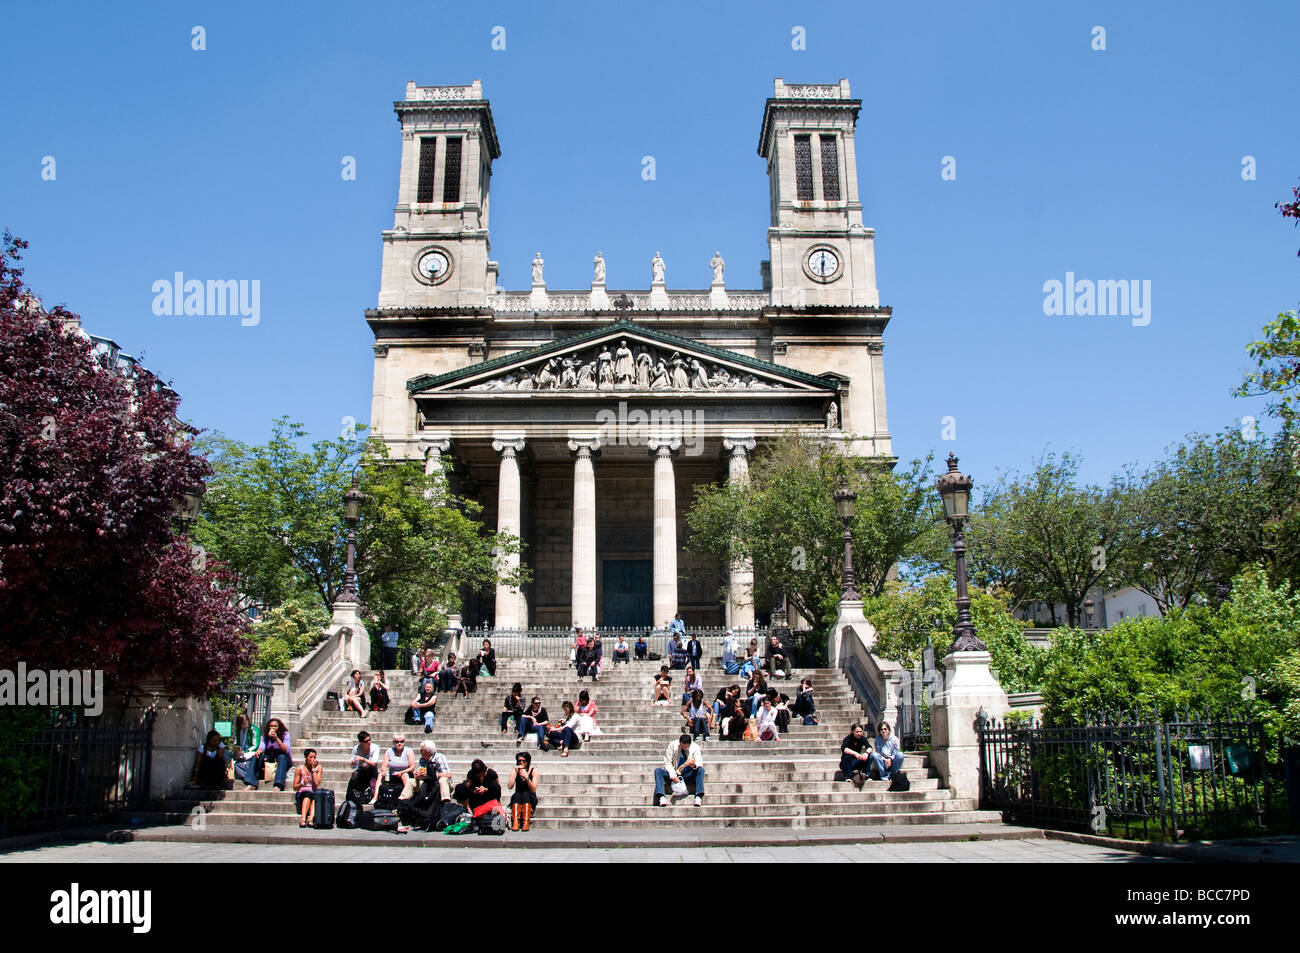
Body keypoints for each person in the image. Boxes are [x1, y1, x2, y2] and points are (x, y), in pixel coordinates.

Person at [654, 733, 704, 807]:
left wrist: (694, 765)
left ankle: (698, 796)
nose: (684, 748)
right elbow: (667, 762)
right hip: (674, 772)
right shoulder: (672, 745)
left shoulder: (696, 748)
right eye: (682, 746)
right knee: (658, 771)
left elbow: (699, 761)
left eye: (686, 747)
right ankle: (661, 796)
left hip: (687, 774)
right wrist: (673, 775)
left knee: (701, 770)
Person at [255, 718, 293, 791]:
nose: (273, 728)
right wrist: (259, 751)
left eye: (275, 726)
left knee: (282, 757)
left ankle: (278, 784)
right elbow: (262, 746)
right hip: (270, 756)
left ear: (279, 727)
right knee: (257, 757)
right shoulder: (265, 735)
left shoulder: (285, 734)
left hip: (283, 758)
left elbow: (286, 750)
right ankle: (252, 782)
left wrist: (276, 738)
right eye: (271, 726)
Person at [507, 751, 539, 831]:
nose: (521, 762)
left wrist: (527, 777)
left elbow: (533, 789)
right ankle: (515, 822)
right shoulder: (515, 770)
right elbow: (510, 786)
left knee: (525, 794)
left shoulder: (534, 771)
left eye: (523, 761)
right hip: (518, 796)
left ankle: (526, 822)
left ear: (527, 761)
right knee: (517, 794)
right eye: (519, 761)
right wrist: (515, 773)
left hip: (530, 797)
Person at [293, 748, 323, 827]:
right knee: (308, 794)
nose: (313, 759)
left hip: (313, 792)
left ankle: (310, 819)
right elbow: (295, 787)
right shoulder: (300, 769)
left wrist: (313, 770)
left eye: (314, 757)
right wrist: (302, 783)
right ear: (306, 758)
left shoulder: (318, 768)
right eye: (311, 757)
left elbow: (316, 784)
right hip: (302, 793)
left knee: (314, 795)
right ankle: (303, 818)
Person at [349, 729, 381, 801]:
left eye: (370, 739)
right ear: (361, 742)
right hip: (361, 770)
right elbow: (352, 766)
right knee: (354, 774)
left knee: (365, 765)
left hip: (372, 769)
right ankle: (349, 796)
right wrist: (353, 763)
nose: (369, 742)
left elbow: (374, 763)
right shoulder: (356, 749)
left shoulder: (375, 747)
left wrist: (362, 759)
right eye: (366, 741)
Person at [839, 723, 874, 789]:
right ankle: (848, 776)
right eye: (857, 732)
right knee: (847, 755)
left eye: (860, 732)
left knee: (871, 756)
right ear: (852, 731)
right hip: (847, 763)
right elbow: (844, 749)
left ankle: (867, 775)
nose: (859, 733)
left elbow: (869, 747)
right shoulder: (848, 739)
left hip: (857, 761)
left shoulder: (862, 739)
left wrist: (866, 753)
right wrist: (855, 753)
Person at [231, 713, 260, 789]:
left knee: (251, 761)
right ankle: (248, 777)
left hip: (250, 752)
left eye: (245, 723)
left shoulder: (253, 729)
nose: (244, 725)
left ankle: (250, 780)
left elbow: (255, 745)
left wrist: (245, 751)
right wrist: (237, 750)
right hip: (241, 753)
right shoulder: (239, 731)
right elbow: (236, 743)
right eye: (242, 724)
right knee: (237, 765)